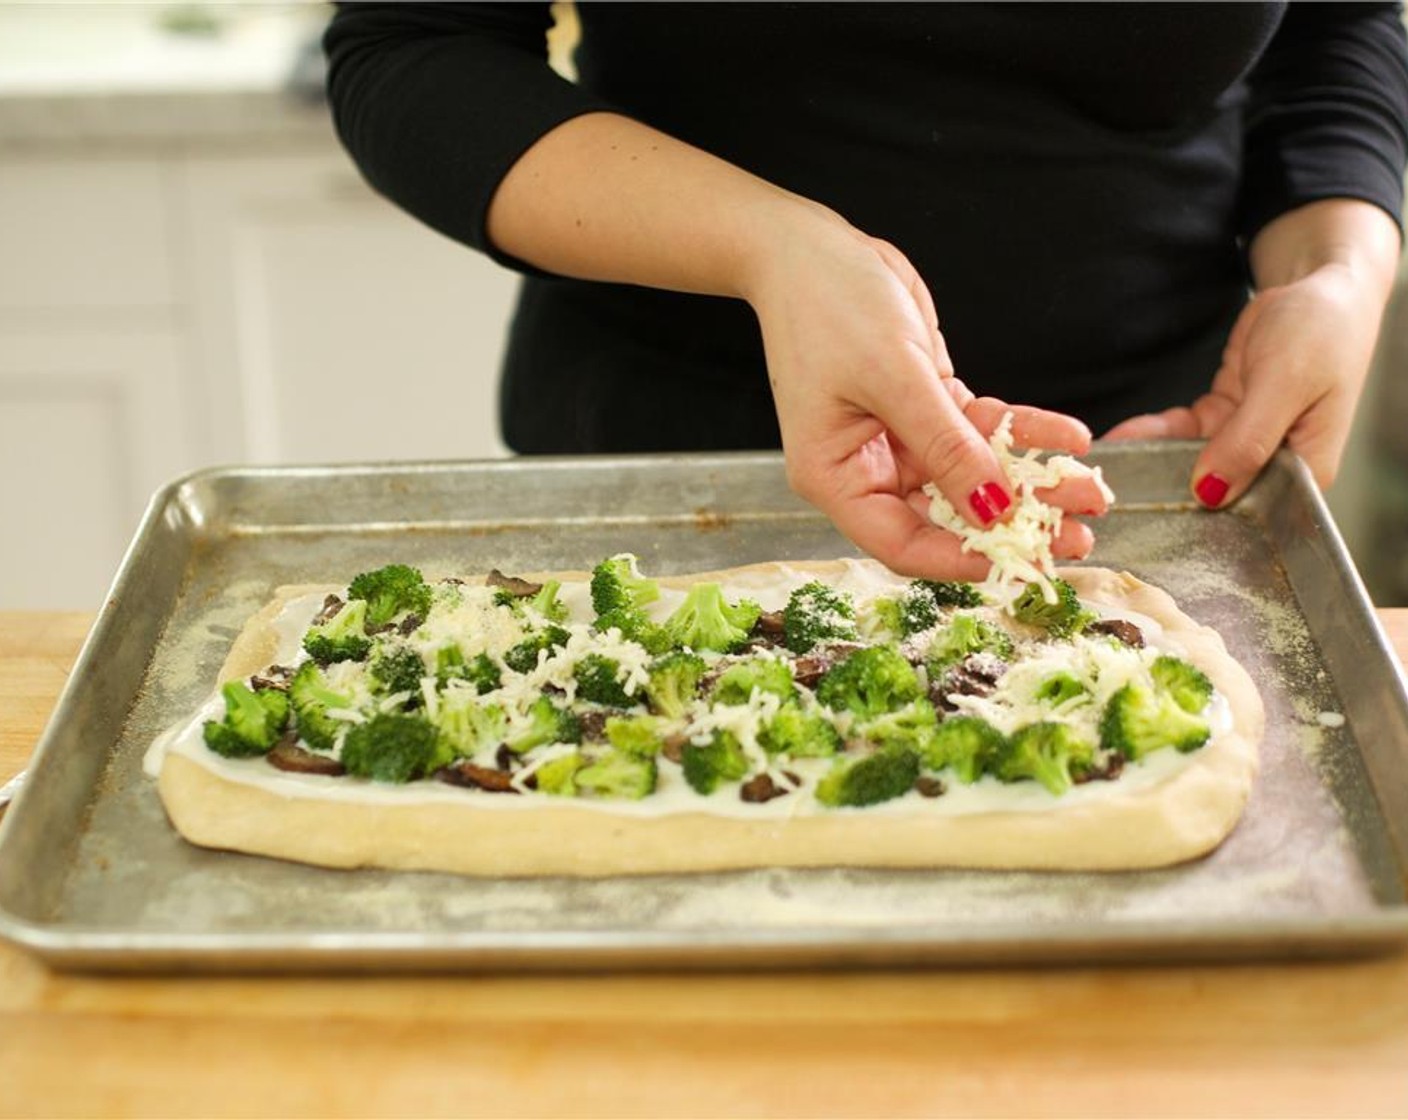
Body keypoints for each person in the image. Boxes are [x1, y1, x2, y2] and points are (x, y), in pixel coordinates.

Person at [323, 3, 1408, 579]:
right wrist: (769, 247)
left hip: (1152, 476)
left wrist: (1337, 268)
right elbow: (416, 47)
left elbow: (1331, 28)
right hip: (682, 485)